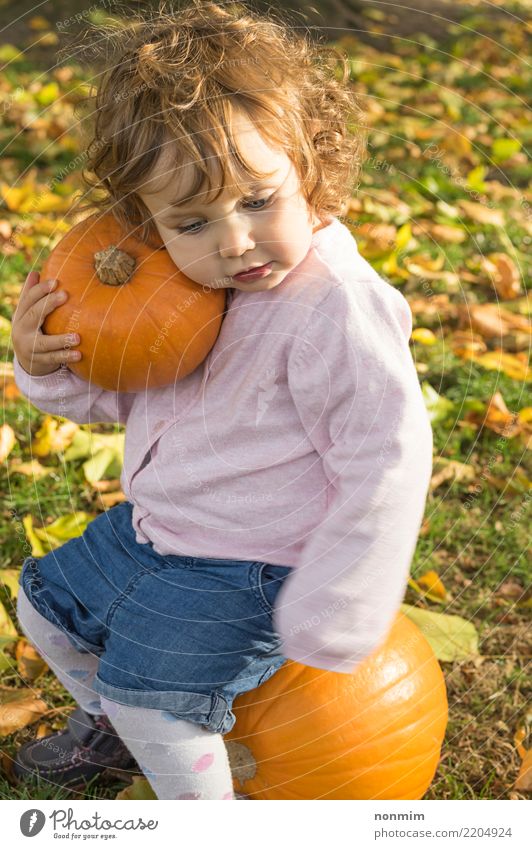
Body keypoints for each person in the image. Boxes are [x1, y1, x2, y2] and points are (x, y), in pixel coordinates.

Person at [10, 0, 433, 800]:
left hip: (250, 567)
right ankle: (109, 727)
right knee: (42, 611)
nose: (234, 242)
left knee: (158, 705)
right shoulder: (185, 284)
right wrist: (48, 362)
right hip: (156, 533)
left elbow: (388, 453)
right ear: (148, 223)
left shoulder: (333, 304)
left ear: (310, 164)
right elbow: (126, 398)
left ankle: (202, 813)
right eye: (192, 220)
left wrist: (344, 594)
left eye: (259, 200)